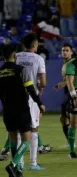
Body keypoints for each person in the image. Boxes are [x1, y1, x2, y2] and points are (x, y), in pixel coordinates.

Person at [0, 44, 46, 177]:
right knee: (26, 139)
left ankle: (18, 171)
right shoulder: (21, 70)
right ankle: (14, 164)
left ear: (3, 56)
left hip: (7, 111)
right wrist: (39, 103)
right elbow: (31, 89)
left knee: (13, 140)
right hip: (21, 109)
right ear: (14, 54)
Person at [15, 33, 48, 170]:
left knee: (17, 131)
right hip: (31, 97)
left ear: (23, 45)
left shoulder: (16, 56)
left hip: (15, 96)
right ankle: (33, 163)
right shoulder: (38, 59)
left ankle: (19, 163)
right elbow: (42, 82)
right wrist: (39, 94)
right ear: (35, 45)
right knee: (33, 128)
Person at [53, 44, 77, 147]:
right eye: (63, 50)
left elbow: (74, 79)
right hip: (68, 93)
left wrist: (62, 83)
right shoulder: (66, 64)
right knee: (65, 118)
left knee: (69, 119)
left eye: (67, 50)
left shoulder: (73, 63)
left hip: (74, 93)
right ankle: (71, 141)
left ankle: (73, 141)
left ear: (71, 52)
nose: (65, 52)